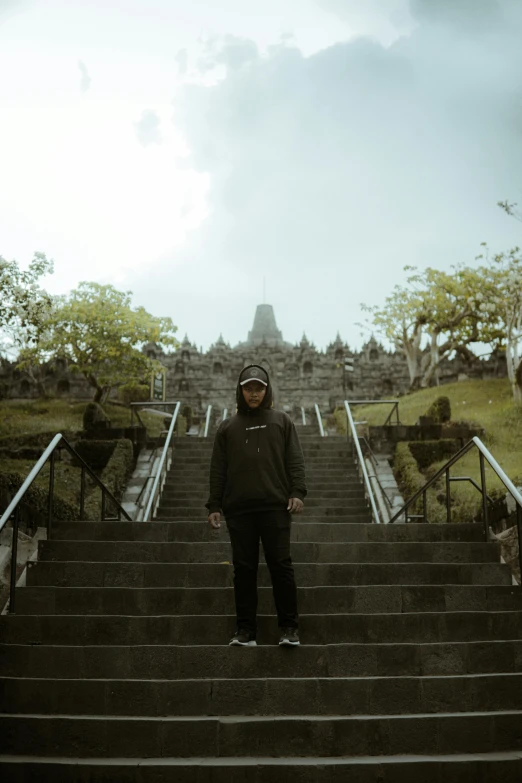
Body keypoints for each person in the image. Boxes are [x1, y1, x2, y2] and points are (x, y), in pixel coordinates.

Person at [206, 364, 307, 647]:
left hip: (275, 506)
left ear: (267, 390)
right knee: (244, 570)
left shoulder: (281, 421)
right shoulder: (227, 427)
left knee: (281, 566)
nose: (253, 394)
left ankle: (289, 628)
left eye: (259, 388)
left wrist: (297, 491)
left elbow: (295, 460)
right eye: (248, 388)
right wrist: (215, 504)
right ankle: (245, 630)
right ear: (240, 391)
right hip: (239, 509)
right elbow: (218, 469)